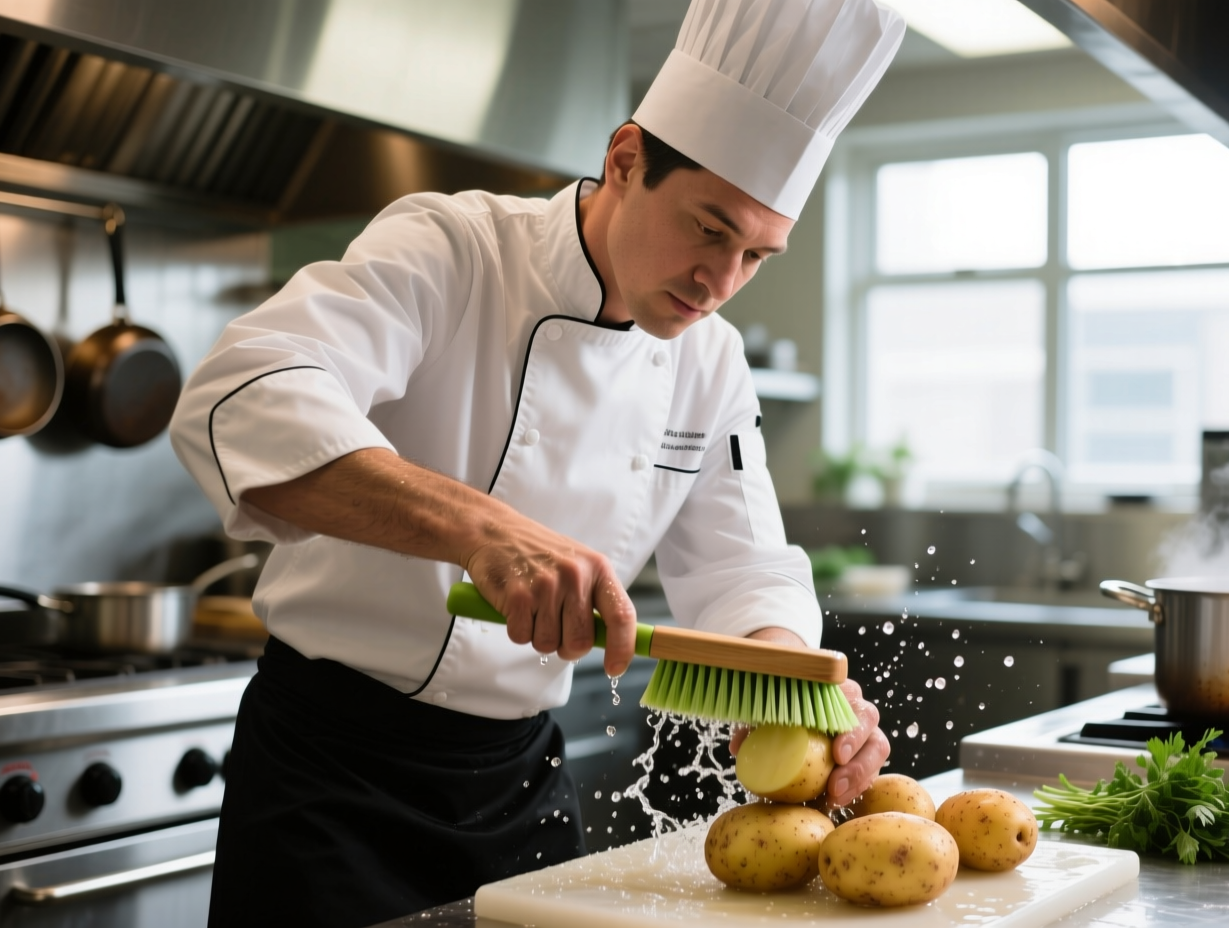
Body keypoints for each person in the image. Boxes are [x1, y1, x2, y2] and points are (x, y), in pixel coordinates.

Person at [169, 1, 906, 925]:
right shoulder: (455, 248)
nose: (720, 284)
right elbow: (242, 392)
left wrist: (791, 686)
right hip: (330, 776)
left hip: (517, 784)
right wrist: (481, 529)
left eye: (757, 254)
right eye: (710, 230)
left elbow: (743, 565)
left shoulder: (710, 359)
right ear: (626, 159)